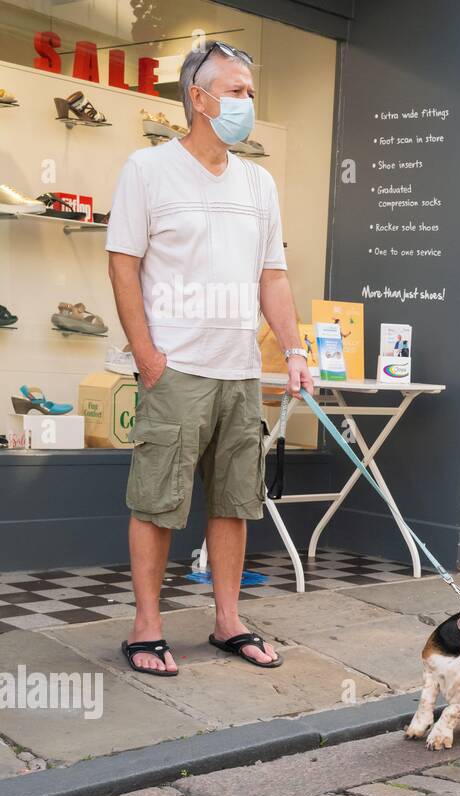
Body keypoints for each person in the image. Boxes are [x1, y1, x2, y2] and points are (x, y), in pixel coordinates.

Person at [106, 41, 313, 676]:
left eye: (251, 93)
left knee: (235, 502)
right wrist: (146, 354)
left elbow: (272, 277)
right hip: (176, 368)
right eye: (236, 91)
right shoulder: (148, 169)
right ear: (199, 98)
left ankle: (228, 621)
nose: (247, 103)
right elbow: (123, 262)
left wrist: (295, 348)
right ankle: (147, 627)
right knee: (157, 501)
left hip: (239, 372)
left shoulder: (259, 181)